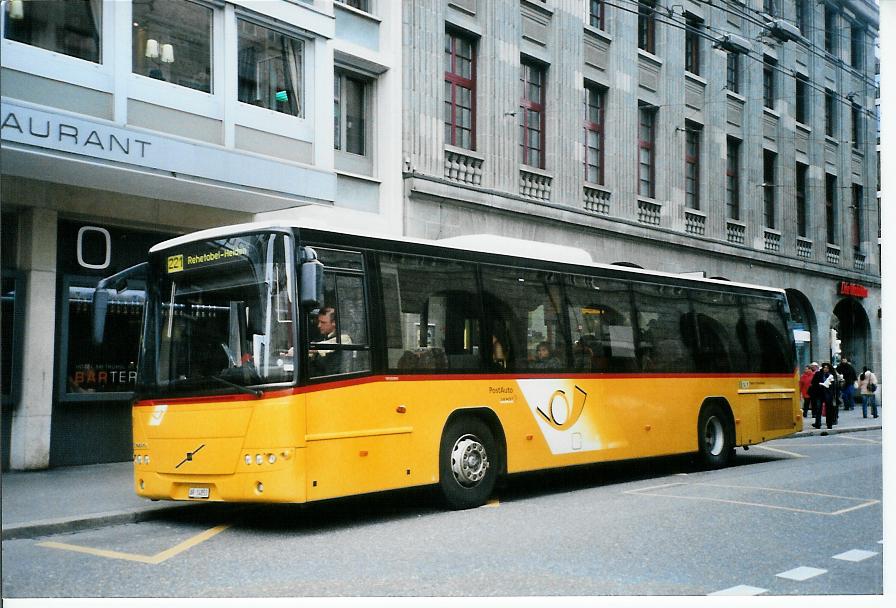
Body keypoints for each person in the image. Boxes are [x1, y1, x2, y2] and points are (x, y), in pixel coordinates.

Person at [308, 306, 349, 376]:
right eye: (319, 322)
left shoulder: (344, 338)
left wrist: (311, 349)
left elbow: (331, 343)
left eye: (323, 322)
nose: (319, 325)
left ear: (334, 323)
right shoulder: (321, 337)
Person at [810, 362, 837, 429]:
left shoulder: (831, 375)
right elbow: (813, 383)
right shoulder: (818, 374)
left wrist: (833, 394)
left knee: (829, 410)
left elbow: (834, 386)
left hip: (828, 394)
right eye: (824, 367)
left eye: (827, 368)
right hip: (819, 394)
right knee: (818, 409)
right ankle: (818, 424)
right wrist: (819, 385)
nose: (825, 369)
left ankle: (829, 424)